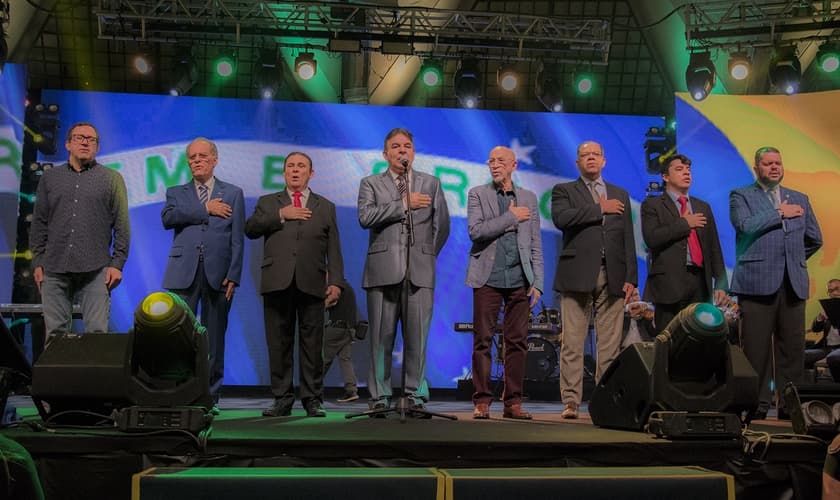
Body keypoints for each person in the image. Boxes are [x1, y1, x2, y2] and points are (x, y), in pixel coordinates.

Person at [358, 128, 450, 416]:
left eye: (407, 146)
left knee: (417, 339)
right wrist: (403, 204)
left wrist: (426, 254)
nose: (402, 151)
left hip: (420, 271)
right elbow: (365, 217)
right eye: (395, 146)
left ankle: (415, 396)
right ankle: (379, 397)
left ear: (413, 152)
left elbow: (442, 225)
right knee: (380, 340)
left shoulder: (431, 183)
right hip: (383, 270)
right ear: (386, 154)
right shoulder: (371, 183)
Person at [246, 152, 344, 418]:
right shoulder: (269, 202)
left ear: (311, 173)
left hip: (312, 281)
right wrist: (281, 214)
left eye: (301, 166)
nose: (295, 170)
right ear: (284, 172)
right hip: (277, 281)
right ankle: (282, 398)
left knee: (312, 345)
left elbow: (334, 247)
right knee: (278, 343)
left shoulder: (325, 206)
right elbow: (251, 228)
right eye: (291, 166)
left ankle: (313, 399)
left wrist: (335, 282)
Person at [730, 146, 822, 420]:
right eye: (768, 163)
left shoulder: (800, 198)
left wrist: (790, 260)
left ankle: (790, 410)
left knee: (792, 353)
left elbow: (815, 238)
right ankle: (755, 409)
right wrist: (779, 213)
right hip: (756, 283)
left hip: (792, 283)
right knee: (755, 352)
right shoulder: (741, 195)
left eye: (778, 163)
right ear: (757, 167)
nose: (774, 167)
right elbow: (744, 226)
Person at [550, 140, 637, 419]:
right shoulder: (564, 190)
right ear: (577, 163)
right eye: (585, 155)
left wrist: (631, 277)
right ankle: (571, 401)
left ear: (604, 161)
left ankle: (603, 400)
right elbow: (561, 218)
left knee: (609, 345)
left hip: (613, 274)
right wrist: (600, 208)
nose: (590, 158)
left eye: (595, 154)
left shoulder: (620, 193)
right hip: (576, 273)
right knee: (573, 342)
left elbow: (627, 239)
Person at [161, 137, 244, 408]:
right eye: (192, 157)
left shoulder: (232, 193)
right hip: (183, 272)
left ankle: (210, 396)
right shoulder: (176, 192)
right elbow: (168, 218)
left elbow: (237, 239)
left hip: (219, 274)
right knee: (178, 336)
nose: (196, 161)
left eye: (202, 156)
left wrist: (234, 274)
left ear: (214, 159)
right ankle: (180, 392)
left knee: (214, 338)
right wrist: (205, 208)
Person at [30, 122, 130, 338]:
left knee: (96, 336)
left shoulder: (111, 179)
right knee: (55, 336)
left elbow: (122, 225)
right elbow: (39, 222)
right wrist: (38, 262)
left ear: (97, 147)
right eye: (79, 137)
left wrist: (117, 264)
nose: (85, 142)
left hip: (96, 270)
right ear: (68, 144)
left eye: (91, 139)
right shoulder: (50, 178)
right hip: (54, 268)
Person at [465, 146, 543, 420]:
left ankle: (513, 402)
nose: (495, 165)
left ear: (514, 166)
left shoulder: (529, 199)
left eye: (501, 161)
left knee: (517, 342)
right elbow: (476, 231)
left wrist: (538, 282)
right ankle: (482, 401)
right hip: (488, 276)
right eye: (491, 161)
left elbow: (535, 243)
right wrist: (511, 218)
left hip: (520, 278)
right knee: (483, 340)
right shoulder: (477, 194)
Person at [640, 153, 728, 330]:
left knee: (698, 337)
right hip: (668, 282)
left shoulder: (703, 206)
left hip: (699, 281)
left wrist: (721, 283)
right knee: (669, 338)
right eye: (679, 169)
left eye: (688, 169)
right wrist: (685, 223)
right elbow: (652, 238)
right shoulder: (653, 205)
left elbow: (713, 247)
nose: (686, 173)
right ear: (665, 177)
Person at [324, 277, 361, 402]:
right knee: (345, 360)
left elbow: (329, 302)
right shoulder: (348, 287)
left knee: (323, 359)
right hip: (349, 330)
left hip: (336, 329)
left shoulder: (335, 288)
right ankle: (351, 391)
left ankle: (312, 390)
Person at [805, 279, 840, 382]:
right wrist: (820, 318)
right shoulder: (828, 307)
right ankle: (806, 389)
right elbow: (815, 329)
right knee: (802, 356)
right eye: (830, 290)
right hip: (826, 348)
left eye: (837, 289)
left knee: (834, 358)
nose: (834, 293)